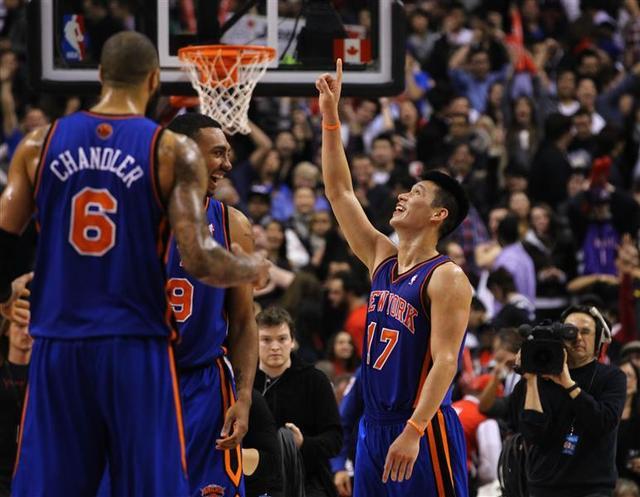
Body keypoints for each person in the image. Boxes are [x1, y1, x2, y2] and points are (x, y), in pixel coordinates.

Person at [0, 31, 268, 496]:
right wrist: (251, 268)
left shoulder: (38, 144)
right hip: (135, 346)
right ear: (154, 79)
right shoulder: (168, 151)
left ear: (101, 74)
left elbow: (4, 240)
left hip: (60, 344)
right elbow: (199, 257)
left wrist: (8, 294)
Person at [317, 59, 472, 496]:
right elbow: (339, 192)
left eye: (416, 193)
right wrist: (331, 119)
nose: (403, 195)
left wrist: (415, 429)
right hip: (374, 426)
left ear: (438, 215)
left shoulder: (446, 276)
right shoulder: (381, 259)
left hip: (420, 425)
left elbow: (446, 361)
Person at [166, 113, 260, 497]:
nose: (227, 164)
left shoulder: (232, 224)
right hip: (141, 380)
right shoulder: (135, 216)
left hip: (205, 387)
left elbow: (243, 321)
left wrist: (244, 396)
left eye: (228, 154)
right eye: (218, 153)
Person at [507, 305, 627, 497]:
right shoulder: (537, 377)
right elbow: (531, 433)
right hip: (542, 487)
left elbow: (604, 422)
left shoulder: (613, 377)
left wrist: (567, 383)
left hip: (592, 489)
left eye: (585, 331)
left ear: (599, 339)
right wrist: (530, 379)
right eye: (570, 331)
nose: (577, 337)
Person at [254, 306, 342, 497]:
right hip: (257, 477)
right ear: (254, 341)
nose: (275, 347)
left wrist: (303, 443)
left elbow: (335, 439)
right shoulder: (244, 383)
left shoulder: (315, 380)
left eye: (282, 339)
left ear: (293, 341)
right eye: (266, 340)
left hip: (307, 477)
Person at [0, 281, 31, 497]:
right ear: (7, 331)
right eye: (20, 326)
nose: (26, 333)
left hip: (28, 463)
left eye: (31, 327)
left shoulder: (42, 374)